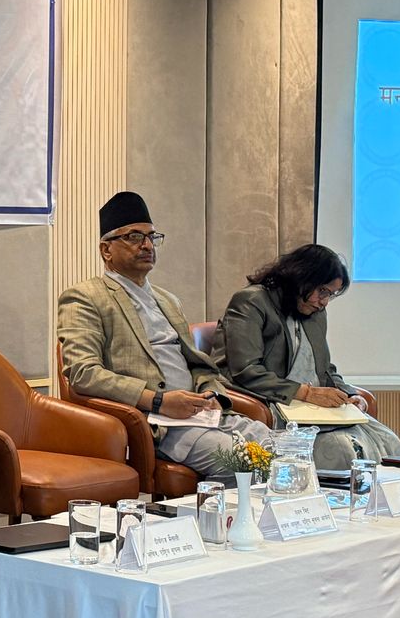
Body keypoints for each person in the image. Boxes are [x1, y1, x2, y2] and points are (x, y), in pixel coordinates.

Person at [58, 190, 273, 477]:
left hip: (202, 414)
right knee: (240, 463)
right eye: (134, 237)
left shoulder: (168, 300)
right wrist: (158, 400)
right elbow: (84, 373)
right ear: (106, 250)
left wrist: (211, 394)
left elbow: (198, 365)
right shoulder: (85, 297)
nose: (147, 245)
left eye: (151, 237)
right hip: (156, 422)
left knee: (283, 452)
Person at [212, 244, 400, 470]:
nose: (324, 301)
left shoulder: (315, 311)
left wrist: (349, 395)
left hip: (310, 405)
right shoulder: (251, 301)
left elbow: (325, 369)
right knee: (341, 450)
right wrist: (307, 393)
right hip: (273, 400)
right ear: (300, 278)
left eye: (330, 295)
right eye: (322, 291)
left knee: (390, 443)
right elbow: (246, 371)